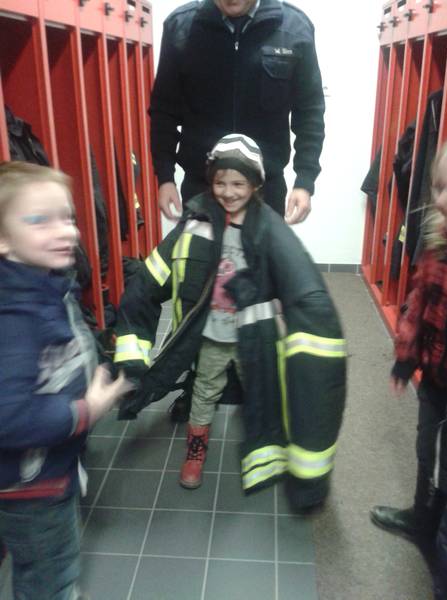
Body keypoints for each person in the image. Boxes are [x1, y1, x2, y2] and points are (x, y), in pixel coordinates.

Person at [114, 134, 346, 509]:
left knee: (265, 394)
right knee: (203, 395)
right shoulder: (196, 223)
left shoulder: (269, 230)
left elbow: (299, 288)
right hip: (210, 337)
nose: (228, 191)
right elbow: (150, 280)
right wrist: (132, 356)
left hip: (253, 338)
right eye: (220, 182)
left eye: (238, 183)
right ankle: (195, 451)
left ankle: (267, 455)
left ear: (255, 185)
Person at [0, 162, 133, 600]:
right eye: (40, 220)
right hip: (31, 486)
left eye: (68, 217)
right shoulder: (14, 316)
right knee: (50, 574)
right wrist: (86, 411)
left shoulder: (46, 283)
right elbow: (9, 417)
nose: (66, 232)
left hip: (48, 468)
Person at [150, 0, 325, 225]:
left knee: (264, 250)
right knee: (199, 250)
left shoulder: (294, 27)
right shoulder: (181, 26)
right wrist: (165, 177)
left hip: (265, 190)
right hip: (202, 188)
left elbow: (309, 111)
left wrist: (305, 181)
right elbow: (164, 110)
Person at [370, 140, 447, 600]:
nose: (440, 200)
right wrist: (406, 357)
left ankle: (443, 547)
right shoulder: (437, 246)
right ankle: (422, 519)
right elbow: (418, 306)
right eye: (438, 188)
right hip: (436, 378)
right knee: (426, 446)